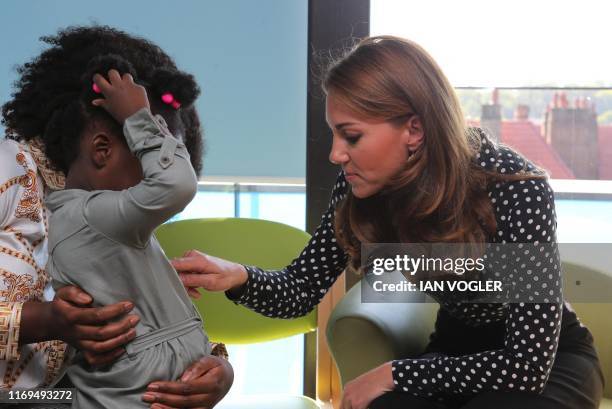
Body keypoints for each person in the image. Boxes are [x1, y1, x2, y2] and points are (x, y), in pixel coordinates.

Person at [172, 36, 604, 409]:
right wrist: (235, 277)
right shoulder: (361, 186)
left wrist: (397, 373)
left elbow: (526, 367)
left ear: (413, 130)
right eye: (335, 135)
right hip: (454, 351)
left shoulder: (515, 187)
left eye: (352, 136)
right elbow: (300, 292)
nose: (336, 155)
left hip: (548, 363)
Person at [1, 26, 232, 409]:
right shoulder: (12, 166)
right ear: (103, 149)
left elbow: (148, 338)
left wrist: (214, 372)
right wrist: (45, 321)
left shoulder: (105, 217)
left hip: (48, 398)